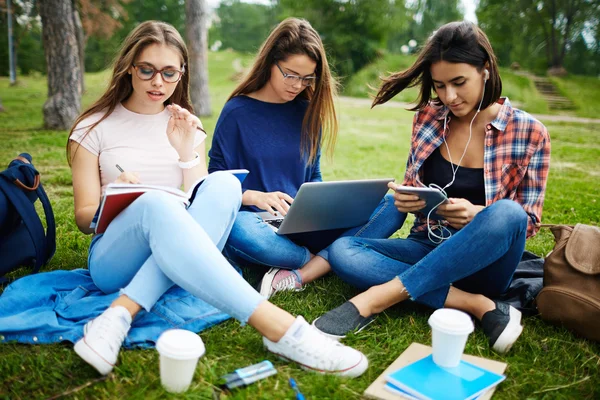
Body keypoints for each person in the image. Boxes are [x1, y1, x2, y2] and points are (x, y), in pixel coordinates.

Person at [67, 20, 368, 378]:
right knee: (155, 203)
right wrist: (118, 197)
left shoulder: (188, 127)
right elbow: (84, 218)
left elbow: (201, 205)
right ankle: (281, 329)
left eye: (169, 73)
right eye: (147, 70)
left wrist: (185, 154)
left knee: (223, 185)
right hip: (114, 257)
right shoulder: (93, 127)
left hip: (178, 254)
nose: (158, 82)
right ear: (129, 68)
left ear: (182, 74)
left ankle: (120, 313)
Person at [312, 21, 550, 354]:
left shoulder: (530, 132)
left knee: (507, 214)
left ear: (485, 70)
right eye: (439, 85)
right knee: (343, 251)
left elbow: (529, 223)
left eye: (459, 82)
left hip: (486, 262)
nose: (449, 96)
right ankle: (477, 305)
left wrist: (477, 216)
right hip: (428, 246)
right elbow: (414, 185)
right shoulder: (428, 117)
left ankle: (376, 298)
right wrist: (410, 200)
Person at [208, 18, 403, 299]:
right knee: (240, 232)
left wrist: (321, 205)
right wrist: (255, 197)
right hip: (258, 223)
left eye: (307, 78)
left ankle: (305, 269)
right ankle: (329, 260)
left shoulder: (308, 111)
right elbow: (216, 180)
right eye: (290, 74)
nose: (298, 85)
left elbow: (312, 176)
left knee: (392, 205)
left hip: (301, 222)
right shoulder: (237, 111)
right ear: (270, 63)